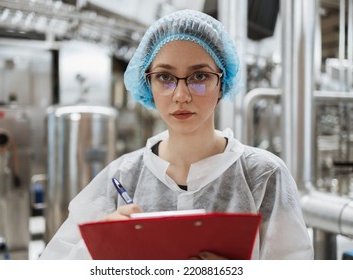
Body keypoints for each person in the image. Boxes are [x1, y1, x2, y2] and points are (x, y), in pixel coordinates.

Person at [39, 9, 314, 260]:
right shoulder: (121, 177)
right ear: (147, 83)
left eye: (199, 77)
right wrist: (100, 248)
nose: (181, 95)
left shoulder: (263, 177)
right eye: (164, 77)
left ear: (222, 82)